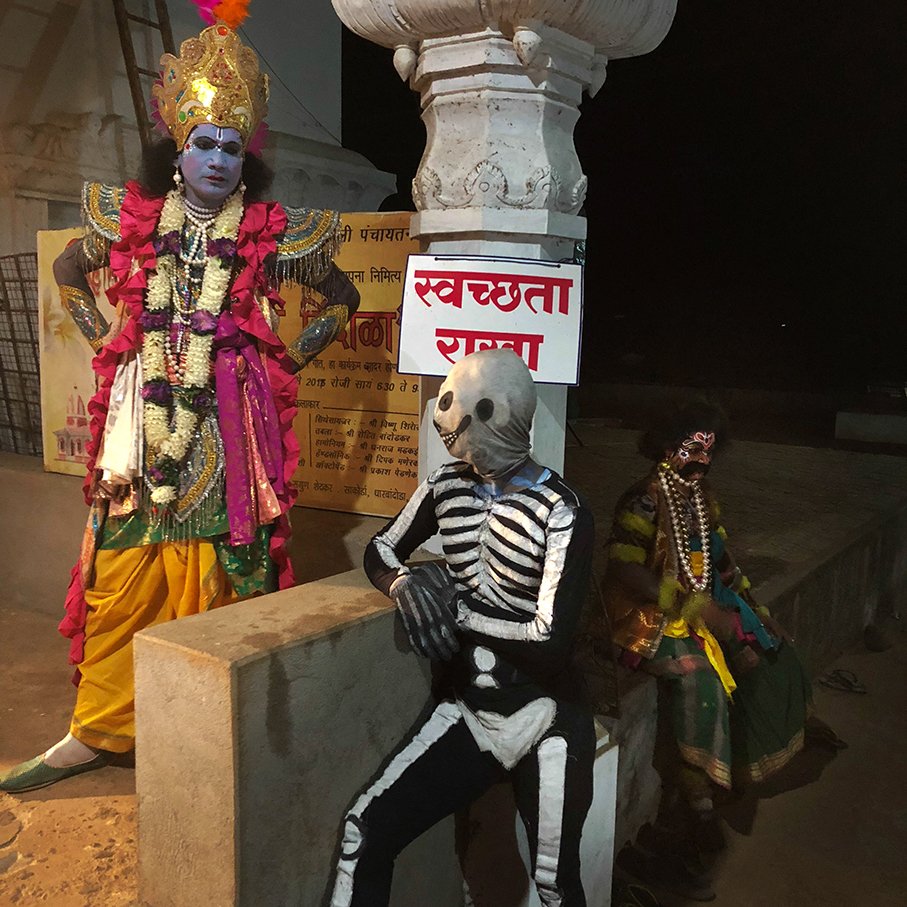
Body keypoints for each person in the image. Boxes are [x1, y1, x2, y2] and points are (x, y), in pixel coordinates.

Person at [0, 11, 358, 794]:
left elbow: (343, 293)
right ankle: (97, 727)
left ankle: (217, 725)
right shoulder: (131, 221)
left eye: (232, 147)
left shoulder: (273, 231)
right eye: (205, 143)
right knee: (122, 565)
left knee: (230, 565)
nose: (218, 159)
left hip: (232, 429)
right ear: (178, 149)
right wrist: (106, 335)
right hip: (141, 427)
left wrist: (284, 357)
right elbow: (68, 269)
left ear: (245, 159)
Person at [331, 349, 596, 907]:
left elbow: (549, 642)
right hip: (470, 709)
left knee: (553, 881)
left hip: (545, 714)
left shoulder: (560, 509)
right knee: (364, 829)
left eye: (461, 411)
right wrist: (402, 585)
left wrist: (457, 610)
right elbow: (382, 548)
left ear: (496, 415)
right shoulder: (445, 484)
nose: (449, 426)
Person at [602, 400, 840, 846]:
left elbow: (723, 565)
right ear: (668, 447)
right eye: (694, 449)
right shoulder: (644, 498)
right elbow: (624, 570)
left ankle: (748, 761)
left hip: (702, 610)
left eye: (710, 452)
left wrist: (758, 614)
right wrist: (698, 610)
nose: (703, 461)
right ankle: (697, 800)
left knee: (770, 653)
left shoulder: (702, 499)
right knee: (701, 680)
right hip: (650, 620)